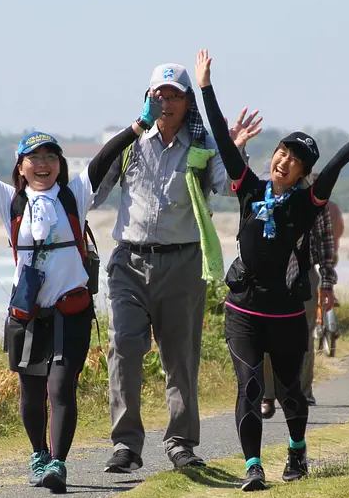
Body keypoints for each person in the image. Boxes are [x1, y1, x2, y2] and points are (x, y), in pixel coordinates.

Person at [0, 98, 161, 494]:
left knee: (60, 387)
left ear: (60, 164)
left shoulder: (75, 194)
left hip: (71, 310)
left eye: (50, 156)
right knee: (32, 390)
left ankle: (58, 463)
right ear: (20, 167)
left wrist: (140, 124)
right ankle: (38, 454)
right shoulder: (10, 201)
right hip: (28, 315)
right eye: (33, 157)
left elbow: (106, 156)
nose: (42, 164)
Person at [196, 49, 349, 491]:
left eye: (294, 159)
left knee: (291, 392)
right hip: (244, 309)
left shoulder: (308, 205)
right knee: (249, 387)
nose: (283, 161)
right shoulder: (249, 189)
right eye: (281, 152)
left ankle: (296, 450)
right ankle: (252, 465)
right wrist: (206, 87)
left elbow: (334, 169)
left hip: (287, 312)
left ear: (303, 172)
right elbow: (222, 139)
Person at [92, 62, 262, 473]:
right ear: (148, 98)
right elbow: (93, 193)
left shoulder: (202, 146)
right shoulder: (132, 142)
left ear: (188, 103)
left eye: (174, 96)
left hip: (182, 261)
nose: (165, 103)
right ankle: (126, 444)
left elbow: (230, 185)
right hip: (128, 261)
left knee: (180, 357)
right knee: (125, 348)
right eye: (158, 95)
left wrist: (234, 147)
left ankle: (181, 442)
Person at [261, 191, 341, 418]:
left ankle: (302, 391)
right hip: (269, 273)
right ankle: (268, 394)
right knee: (266, 333)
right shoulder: (265, 195)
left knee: (304, 335)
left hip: (305, 274)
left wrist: (327, 283)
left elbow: (326, 244)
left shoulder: (316, 202)